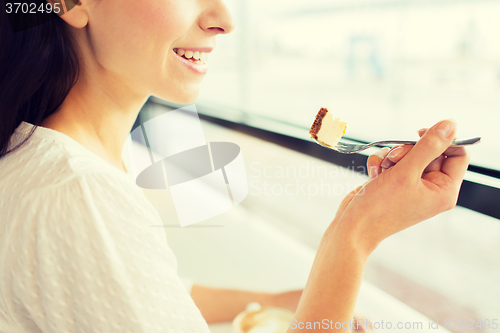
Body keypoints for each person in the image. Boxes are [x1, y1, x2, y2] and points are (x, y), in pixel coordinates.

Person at [0, 0, 469, 331]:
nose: (224, 19)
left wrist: (276, 302)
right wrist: (356, 232)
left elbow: (138, 288)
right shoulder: (77, 194)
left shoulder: (56, 157)